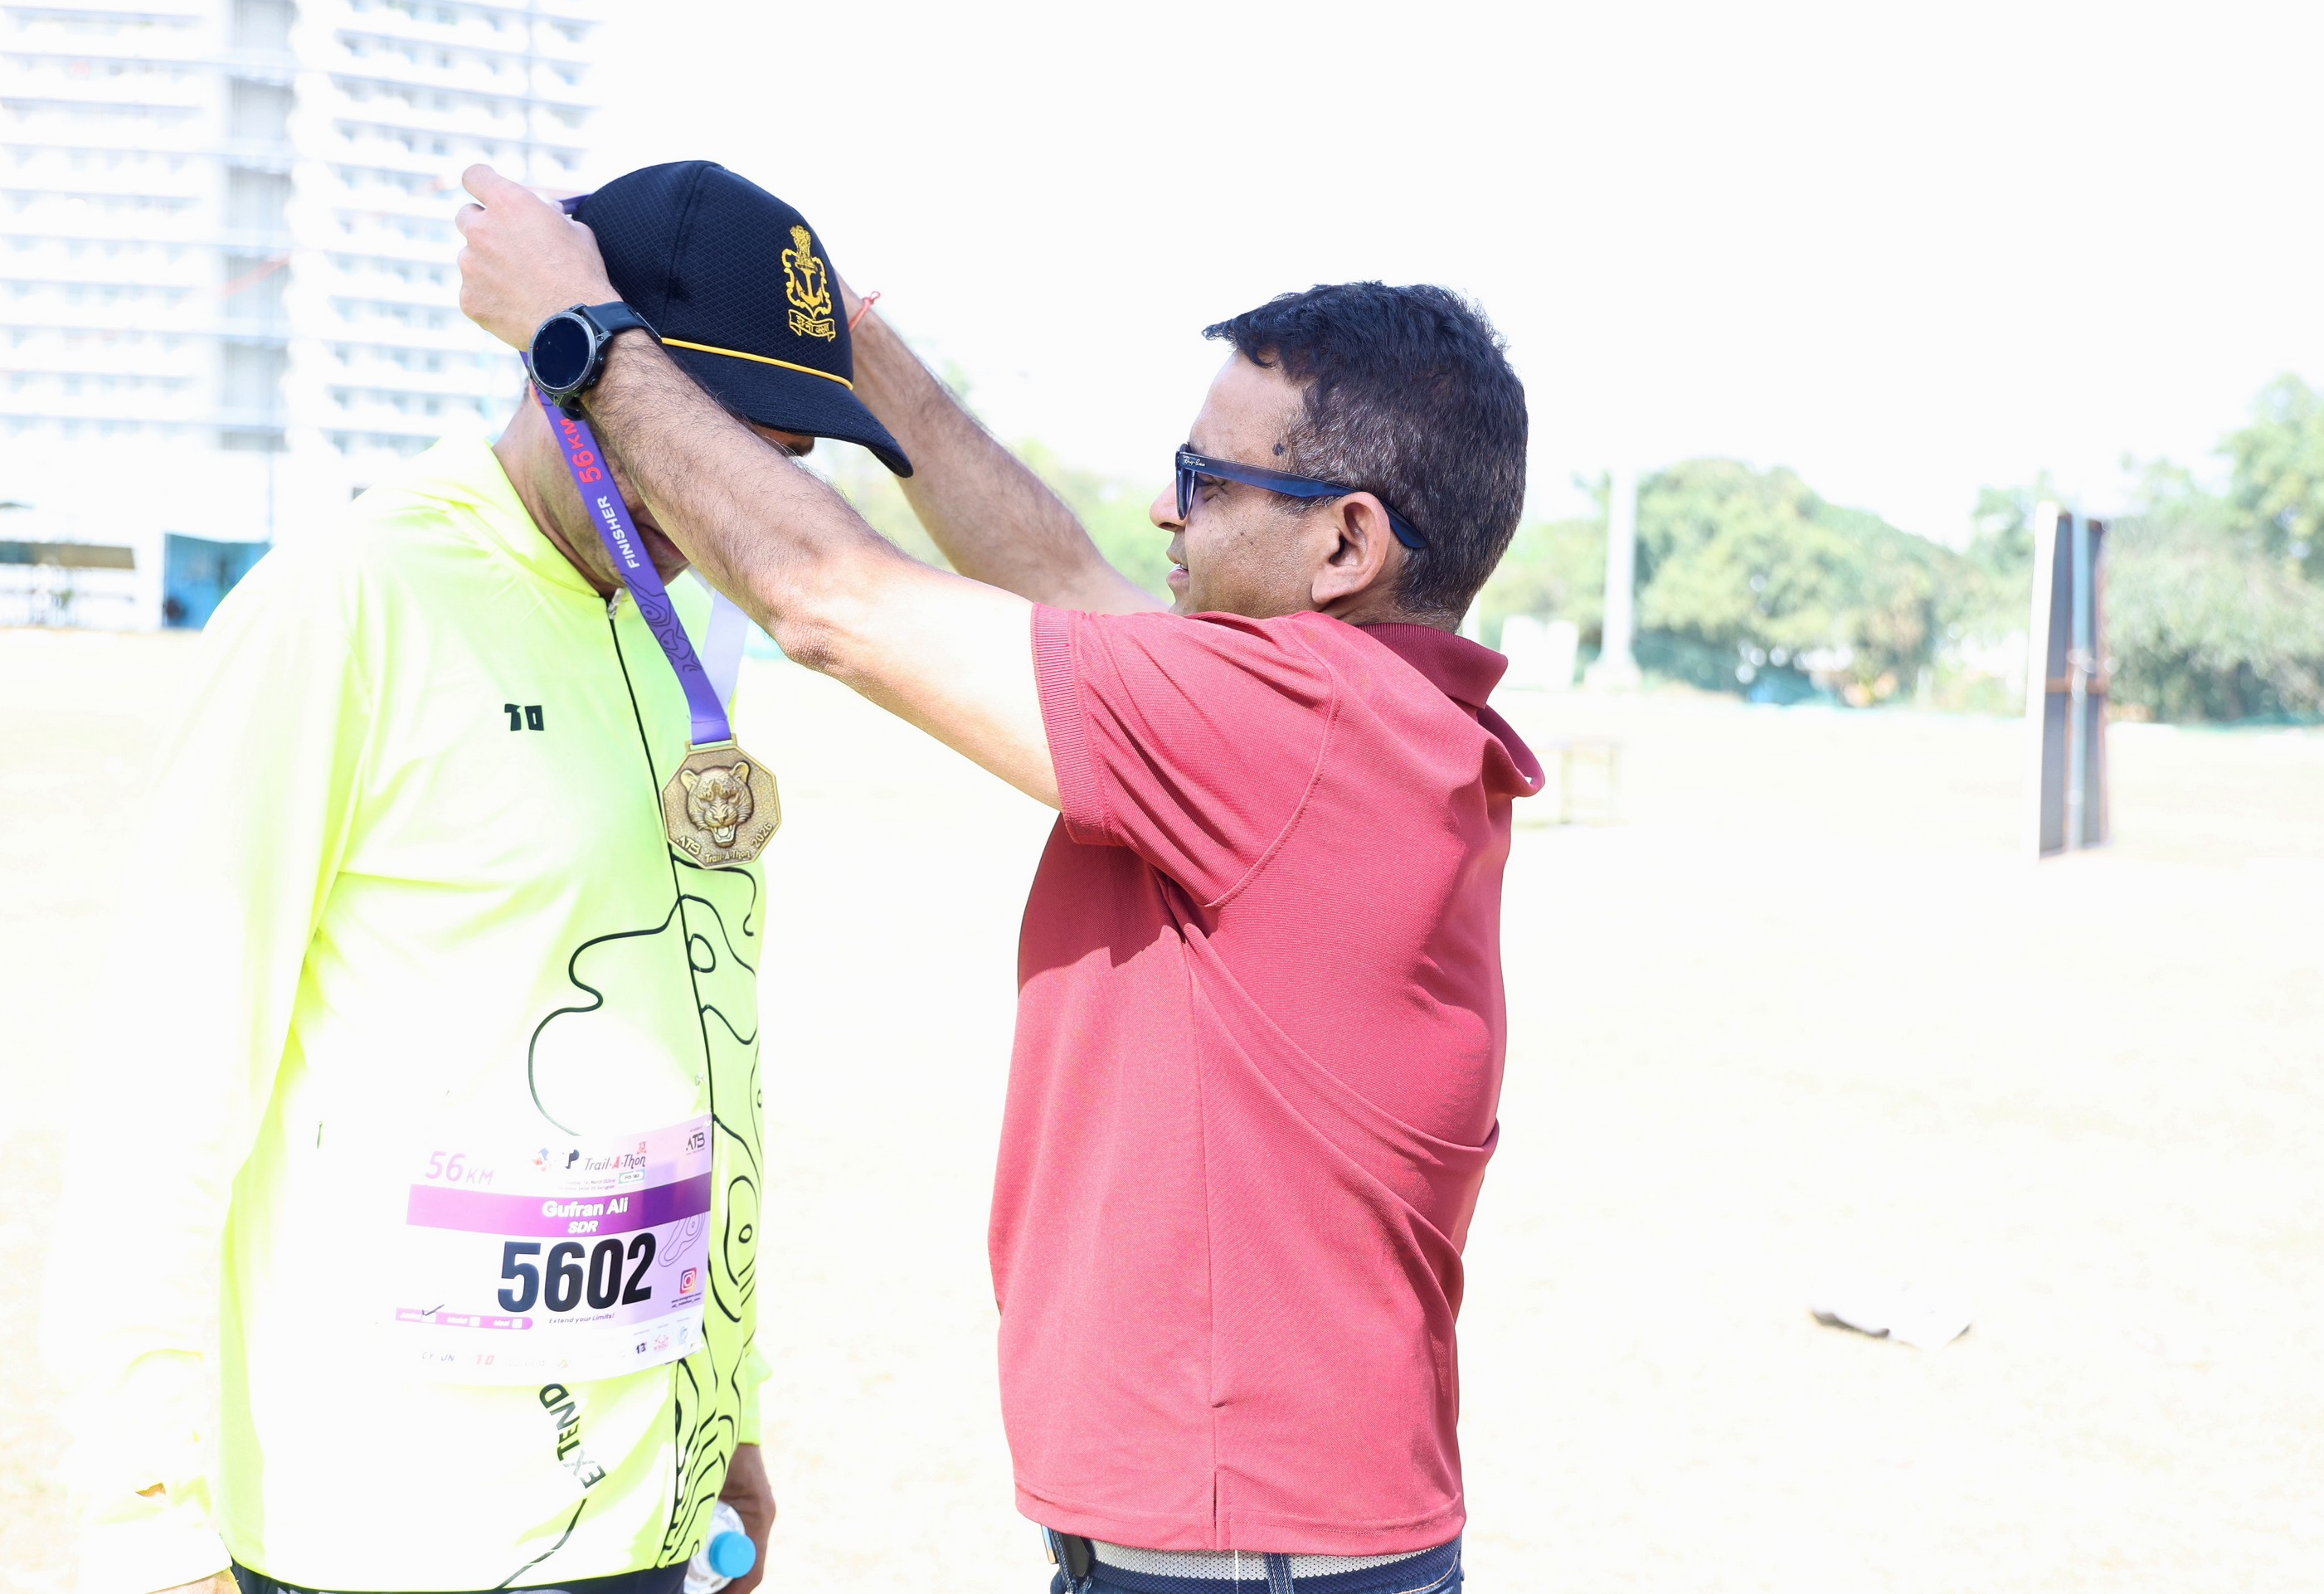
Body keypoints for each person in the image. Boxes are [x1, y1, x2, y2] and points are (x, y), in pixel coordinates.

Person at [456, 162, 1542, 1594]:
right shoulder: (1364, 718)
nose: (1163, 507)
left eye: (1208, 481)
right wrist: (861, 352)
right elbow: (1062, 581)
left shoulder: (1293, 723)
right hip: (1262, 1537)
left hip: (1242, 1554)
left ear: (1346, 540)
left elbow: (830, 599)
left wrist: (584, 337)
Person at [44, 163, 914, 1594]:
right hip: (384, 1533)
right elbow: (166, 1079)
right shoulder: (348, 602)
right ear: (589, 374)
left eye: (783, 456)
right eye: (724, 438)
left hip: (643, 1521)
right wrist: (149, 1525)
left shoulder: (692, 633)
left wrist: (729, 1407)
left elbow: (702, 1043)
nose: (747, 497)